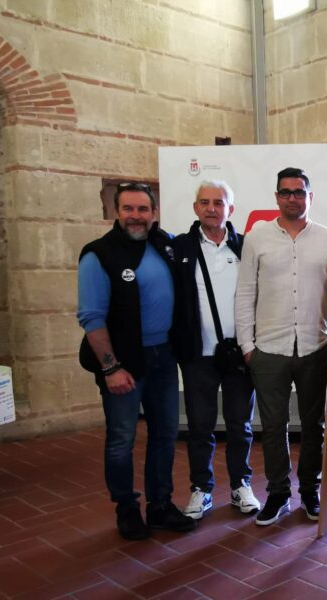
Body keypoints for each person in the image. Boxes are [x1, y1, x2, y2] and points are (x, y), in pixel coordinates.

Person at [77, 182, 196, 540]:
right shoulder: (98, 254)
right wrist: (111, 368)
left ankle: (160, 505)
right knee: (121, 438)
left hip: (163, 358)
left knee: (164, 434)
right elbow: (91, 318)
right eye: (128, 209)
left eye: (143, 209)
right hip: (123, 363)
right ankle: (127, 508)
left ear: (154, 213)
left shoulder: (165, 246)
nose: (135, 216)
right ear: (116, 212)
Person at [235, 167, 327, 526]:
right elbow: (245, 292)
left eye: (299, 192)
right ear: (276, 197)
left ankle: (310, 490)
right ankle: (278, 493)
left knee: (314, 426)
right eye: (286, 192)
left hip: (316, 347)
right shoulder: (256, 238)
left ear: (310, 197)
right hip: (268, 350)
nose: (292, 198)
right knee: (273, 426)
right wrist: (247, 346)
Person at [172, 180, 260, 520]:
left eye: (219, 202)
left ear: (230, 209)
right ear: (196, 207)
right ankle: (201, 488)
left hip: (241, 354)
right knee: (199, 426)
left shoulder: (246, 247)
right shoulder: (180, 248)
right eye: (205, 202)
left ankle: (241, 485)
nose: (211, 208)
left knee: (240, 425)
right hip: (198, 355)